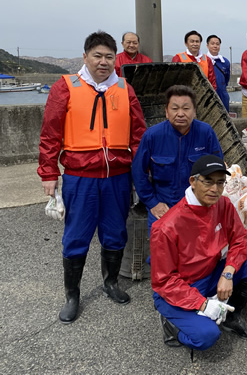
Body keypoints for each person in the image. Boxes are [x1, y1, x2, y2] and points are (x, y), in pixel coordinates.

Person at [38, 30, 146, 324]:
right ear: (85, 56)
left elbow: (138, 136)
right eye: (97, 56)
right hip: (79, 176)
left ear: (116, 59)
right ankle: (72, 294)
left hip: (118, 176)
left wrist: (141, 175)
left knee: (115, 232)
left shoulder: (125, 88)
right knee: (76, 236)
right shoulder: (65, 87)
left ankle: (110, 283)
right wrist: (49, 173)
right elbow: (50, 134)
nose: (103, 62)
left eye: (109, 57)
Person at [151, 155, 247, 350]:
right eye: (208, 181)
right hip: (179, 288)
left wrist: (228, 273)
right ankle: (173, 329)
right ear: (193, 182)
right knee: (207, 336)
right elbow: (164, 281)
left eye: (220, 182)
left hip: (209, 274)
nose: (215, 189)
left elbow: (240, 240)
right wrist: (203, 305)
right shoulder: (166, 227)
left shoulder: (223, 205)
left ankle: (231, 316)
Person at [131, 85, 223, 234]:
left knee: (201, 252)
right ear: (166, 112)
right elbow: (138, 172)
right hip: (164, 205)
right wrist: (152, 203)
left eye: (186, 108)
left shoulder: (206, 133)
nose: (180, 114)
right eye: (175, 108)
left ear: (194, 112)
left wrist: (207, 201)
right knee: (161, 251)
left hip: (198, 204)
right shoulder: (152, 136)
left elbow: (217, 170)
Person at [205, 35, 231, 111]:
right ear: (207, 45)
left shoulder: (225, 62)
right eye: (212, 44)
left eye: (217, 44)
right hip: (208, 95)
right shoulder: (203, 61)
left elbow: (227, 79)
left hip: (223, 95)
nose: (215, 46)